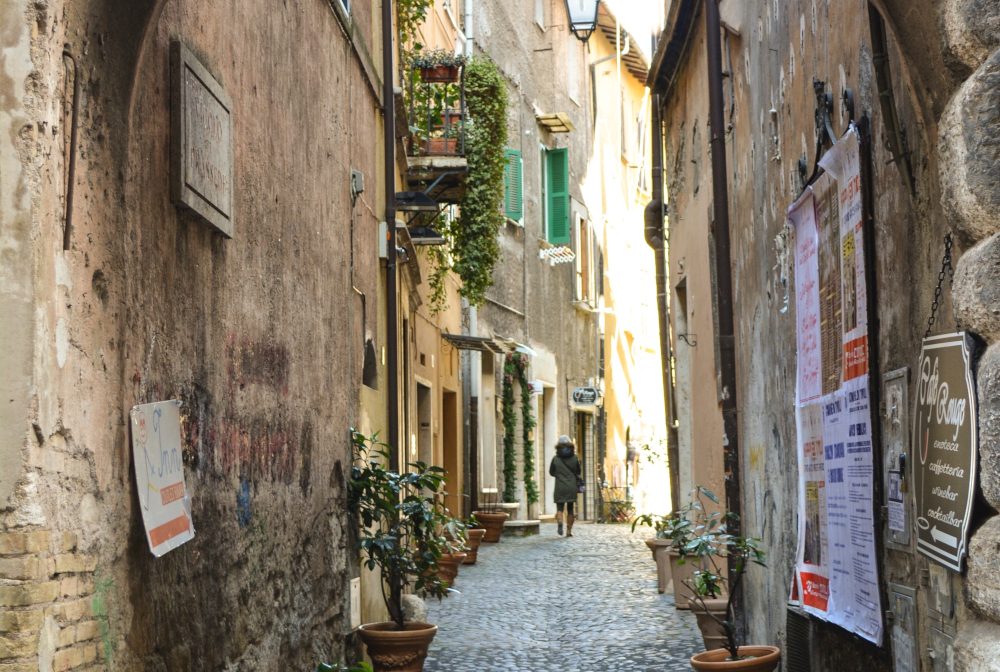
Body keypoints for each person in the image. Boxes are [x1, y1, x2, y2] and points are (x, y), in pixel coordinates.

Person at [549, 435, 581, 537]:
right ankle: (569, 531)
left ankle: (560, 521)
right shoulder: (575, 458)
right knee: (570, 508)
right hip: (571, 486)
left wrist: (560, 475)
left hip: (560, 486)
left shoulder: (555, 459)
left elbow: (551, 472)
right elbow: (578, 471)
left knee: (560, 507)